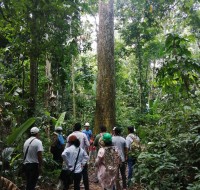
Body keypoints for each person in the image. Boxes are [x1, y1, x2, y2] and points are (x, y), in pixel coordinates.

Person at [67, 123, 90, 190]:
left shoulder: (70, 135)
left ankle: (74, 186)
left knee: (73, 172)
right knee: (84, 173)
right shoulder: (83, 135)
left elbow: (67, 147)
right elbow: (88, 145)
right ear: (80, 128)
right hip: (82, 156)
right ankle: (86, 188)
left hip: (72, 157)